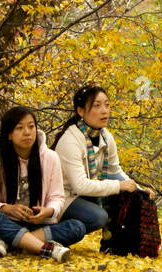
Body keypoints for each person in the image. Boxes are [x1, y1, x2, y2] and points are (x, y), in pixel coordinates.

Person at [0, 105, 85, 262]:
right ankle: (46, 249)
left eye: (31, 126)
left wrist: (47, 211)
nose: (27, 132)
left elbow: (57, 197)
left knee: (77, 227)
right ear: (9, 135)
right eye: (19, 128)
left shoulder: (50, 157)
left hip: (39, 225)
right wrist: (7, 208)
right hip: (8, 223)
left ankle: (11, 243)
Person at [53, 84, 152, 241]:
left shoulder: (105, 136)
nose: (104, 111)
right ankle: (52, 231)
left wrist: (139, 190)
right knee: (98, 217)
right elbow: (80, 185)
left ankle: (116, 242)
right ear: (80, 111)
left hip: (82, 195)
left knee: (128, 195)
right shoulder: (70, 140)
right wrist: (118, 186)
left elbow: (114, 171)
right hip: (61, 198)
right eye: (97, 106)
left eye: (107, 104)